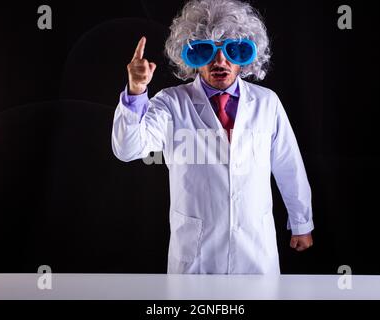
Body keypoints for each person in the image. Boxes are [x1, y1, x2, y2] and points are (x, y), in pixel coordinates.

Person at [112, 0, 314, 274]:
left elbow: (288, 165)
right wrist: (136, 91)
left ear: (248, 55)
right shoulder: (171, 103)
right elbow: (127, 149)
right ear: (191, 56)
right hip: (196, 254)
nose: (220, 61)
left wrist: (301, 222)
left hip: (255, 248)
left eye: (233, 50)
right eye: (206, 51)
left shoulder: (267, 103)